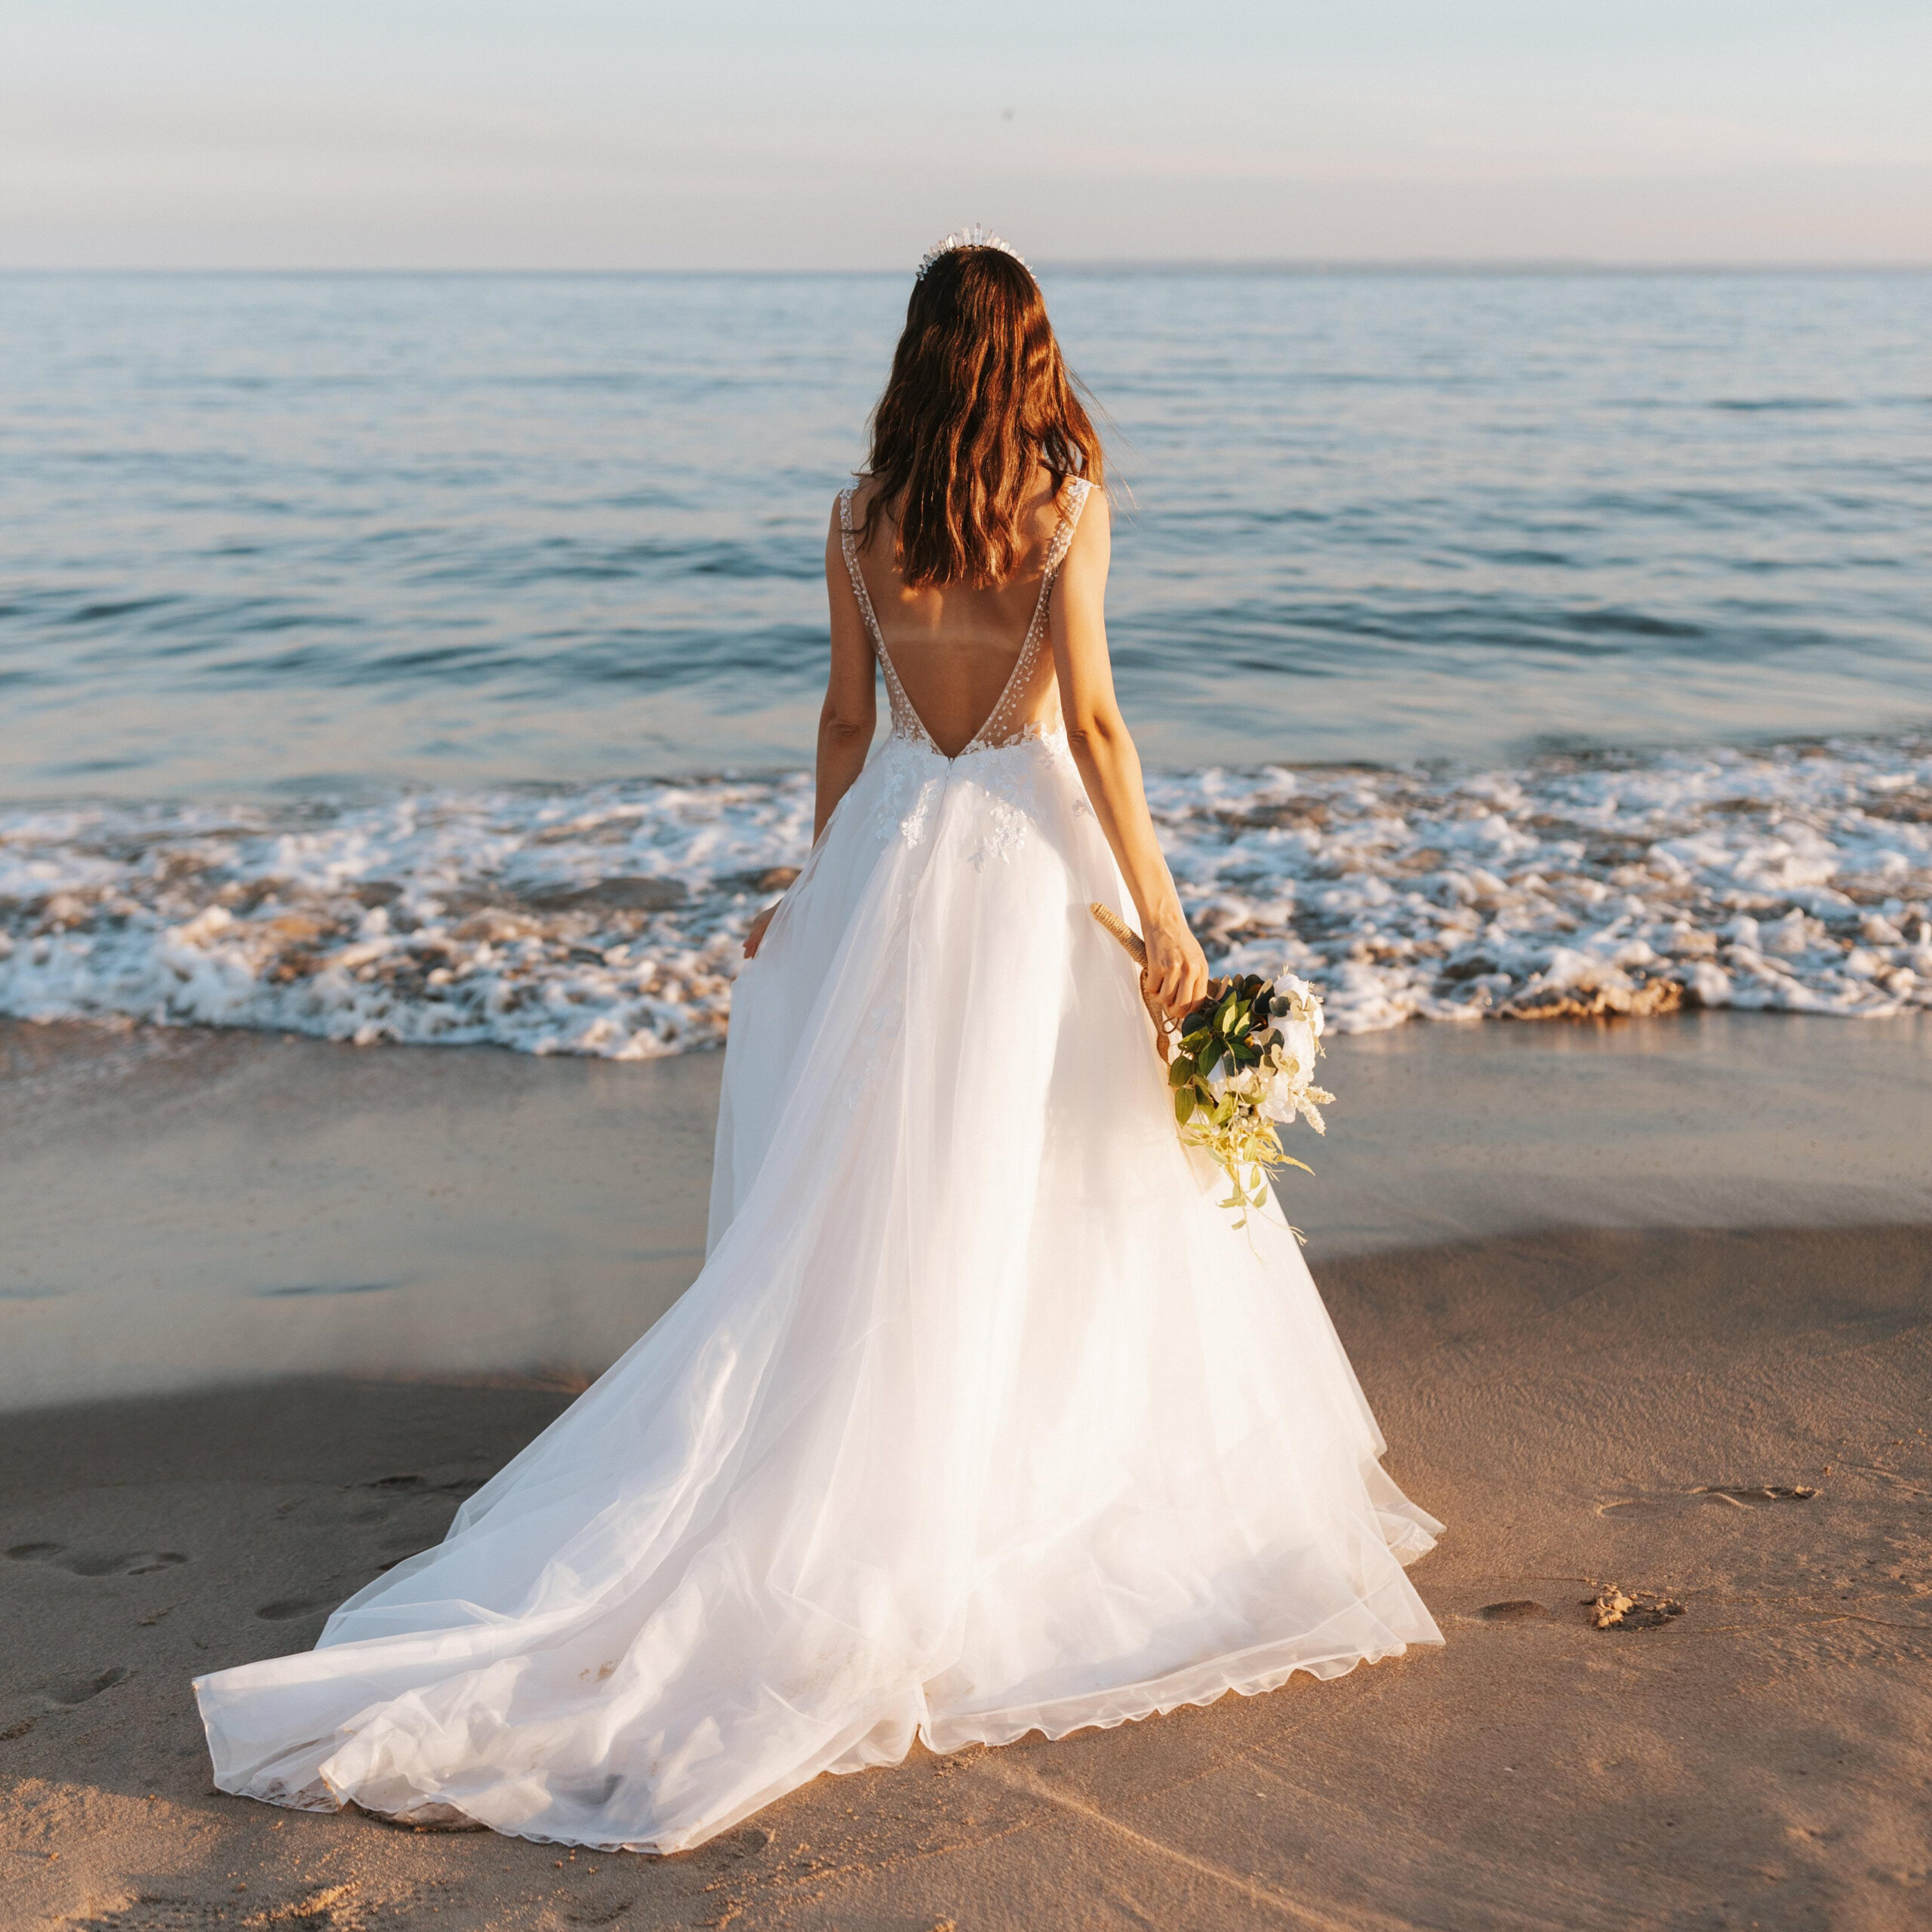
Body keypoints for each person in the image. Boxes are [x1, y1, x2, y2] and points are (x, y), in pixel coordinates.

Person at [195, 228, 1441, 1855]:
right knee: (1051, 1176)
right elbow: (1101, 723)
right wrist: (1164, 916)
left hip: (895, 858)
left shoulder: (855, 520)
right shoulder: (1064, 513)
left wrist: (819, 878)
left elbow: (847, 719)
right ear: (1029, 360)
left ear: (919, 358)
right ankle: (1013, 1456)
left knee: (870, 1189)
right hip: (1032, 868)